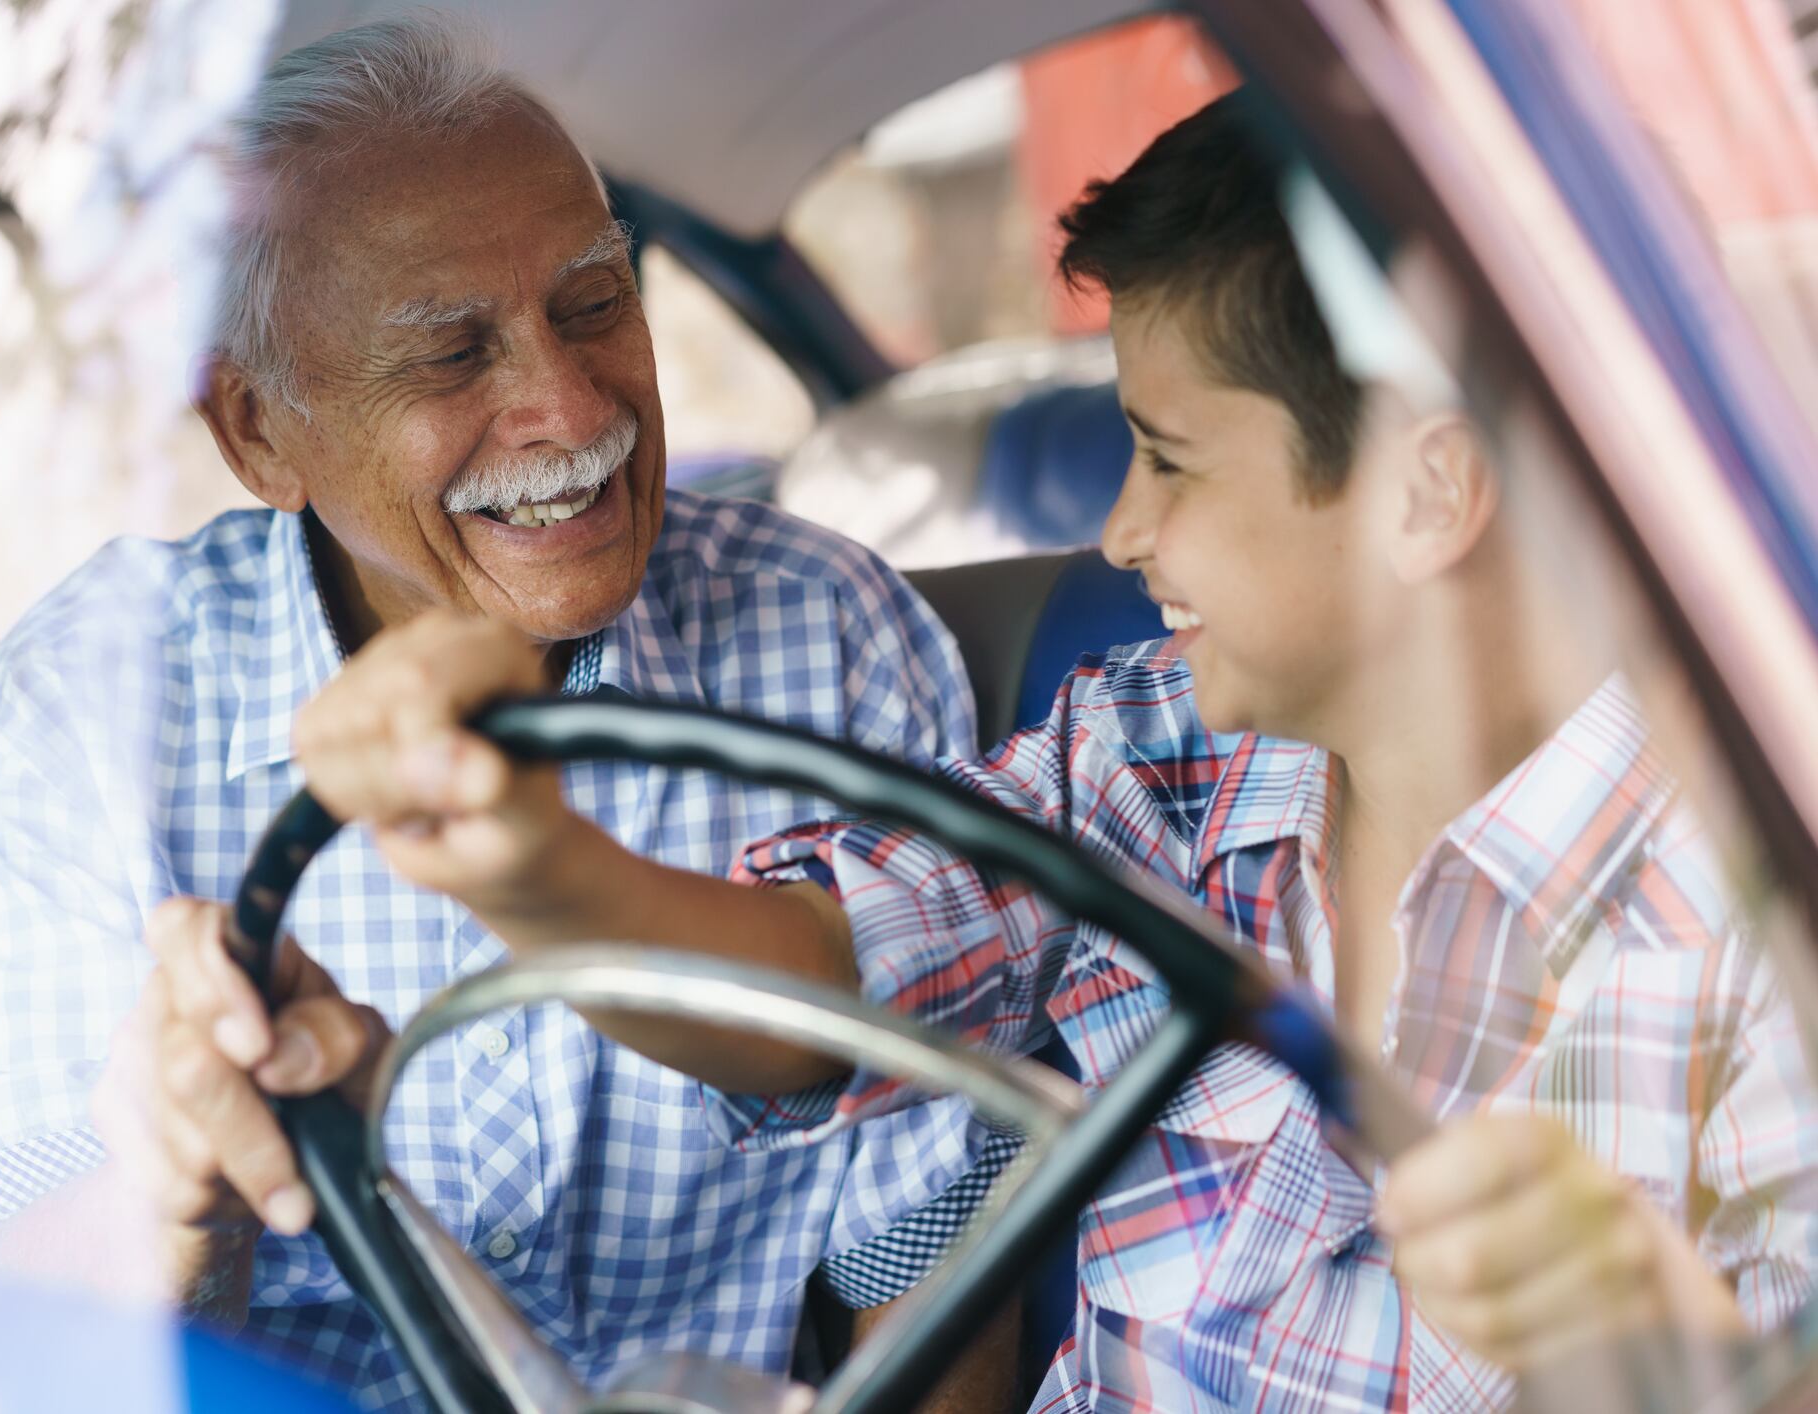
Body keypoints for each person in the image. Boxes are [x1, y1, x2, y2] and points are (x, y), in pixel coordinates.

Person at [277, 93, 1818, 1410]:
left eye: (1167, 457)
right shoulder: (1143, 758)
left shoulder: (1755, 910)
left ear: (1428, 491)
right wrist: (534, 863)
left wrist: (1680, 1352)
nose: (1119, 529)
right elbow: (812, 983)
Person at [0, 17, 1016, 1409]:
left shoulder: (830, 633)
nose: (565, 402)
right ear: (258, 435)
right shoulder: (88, 712)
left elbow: (938, 1237)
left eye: (594, 302)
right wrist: (174, 1191)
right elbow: (0, 1333)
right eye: (450, 355)